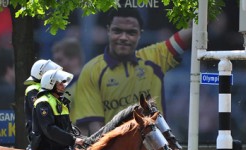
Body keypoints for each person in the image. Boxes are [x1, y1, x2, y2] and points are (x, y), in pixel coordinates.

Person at [72, 7, 192, 135]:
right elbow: (96, 130)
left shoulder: (154, 58)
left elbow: (192, 30)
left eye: (131, 32)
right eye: (117, 31)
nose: (123, 37)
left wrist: (207, 8)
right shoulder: (91, 71)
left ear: (140, 33)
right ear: (108, 31)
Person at [24, 59, 62, 150]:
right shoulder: (33, 90)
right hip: (42, 138)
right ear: (43, 74)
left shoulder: (50, 90)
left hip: (55, 134)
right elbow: (44, 118)